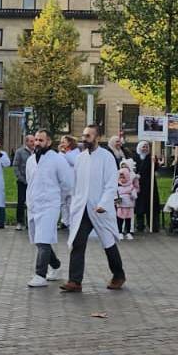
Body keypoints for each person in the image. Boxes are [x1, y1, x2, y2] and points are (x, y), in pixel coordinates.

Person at [61, 124, 126, 293]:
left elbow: (111, 184)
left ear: (97, 138)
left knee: (108, 242)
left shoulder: (107, 157)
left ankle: (118, 275)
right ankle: (75, 281)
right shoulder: (80, 158)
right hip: (82, 208)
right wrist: (73, 204)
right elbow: (75, 184)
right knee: (78, 242)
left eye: (88, 136)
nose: (84, 139)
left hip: (100, 208)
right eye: (83, 135)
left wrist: (103, 204)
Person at [26, 130, 74, 287]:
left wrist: (57, 197)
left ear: (48, 142)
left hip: (50, 205)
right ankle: (56, 266)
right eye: (36, 140)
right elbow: (30, 181)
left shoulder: (58, 160)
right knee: (39, 241)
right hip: (34, 204)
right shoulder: (31, 160)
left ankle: (40, 274)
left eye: (41, 140)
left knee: (43, 238)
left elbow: (67, 183)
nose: (37, 143)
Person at [134, 140, 155, 234]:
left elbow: (155, 168)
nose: (145, 149)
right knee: (140, 206)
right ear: (139, 148)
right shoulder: (135, 158)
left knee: (150, 205)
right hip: (138, 185)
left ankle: (153, 226)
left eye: (146, 147)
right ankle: (140, 225)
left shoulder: (151, 157)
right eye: (143, 147)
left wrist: (156, 162)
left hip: (149, 184)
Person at [12, 139, 32, 231]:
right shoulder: (20, 152)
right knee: (21, 202)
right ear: (26, 142)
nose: (33, 143)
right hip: (23, 181)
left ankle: (30, 222)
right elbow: (16, 166)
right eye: (31, 141)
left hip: (34, 182)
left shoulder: (37, 151)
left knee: (32, 202)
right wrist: (21, 178)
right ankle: (20, 222)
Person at [115, 167, 137, 240]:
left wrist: (132, 195)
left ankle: (128, 232)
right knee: (120, 220)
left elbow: (135, 196)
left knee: (128, 220)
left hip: (129, 207)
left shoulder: (131, 187)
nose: (122, 179)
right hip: (121, 207)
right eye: (120, 178)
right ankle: (119, 232)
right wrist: (116, 200)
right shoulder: (117, 187)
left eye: (123, 178)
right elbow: (114, 196)